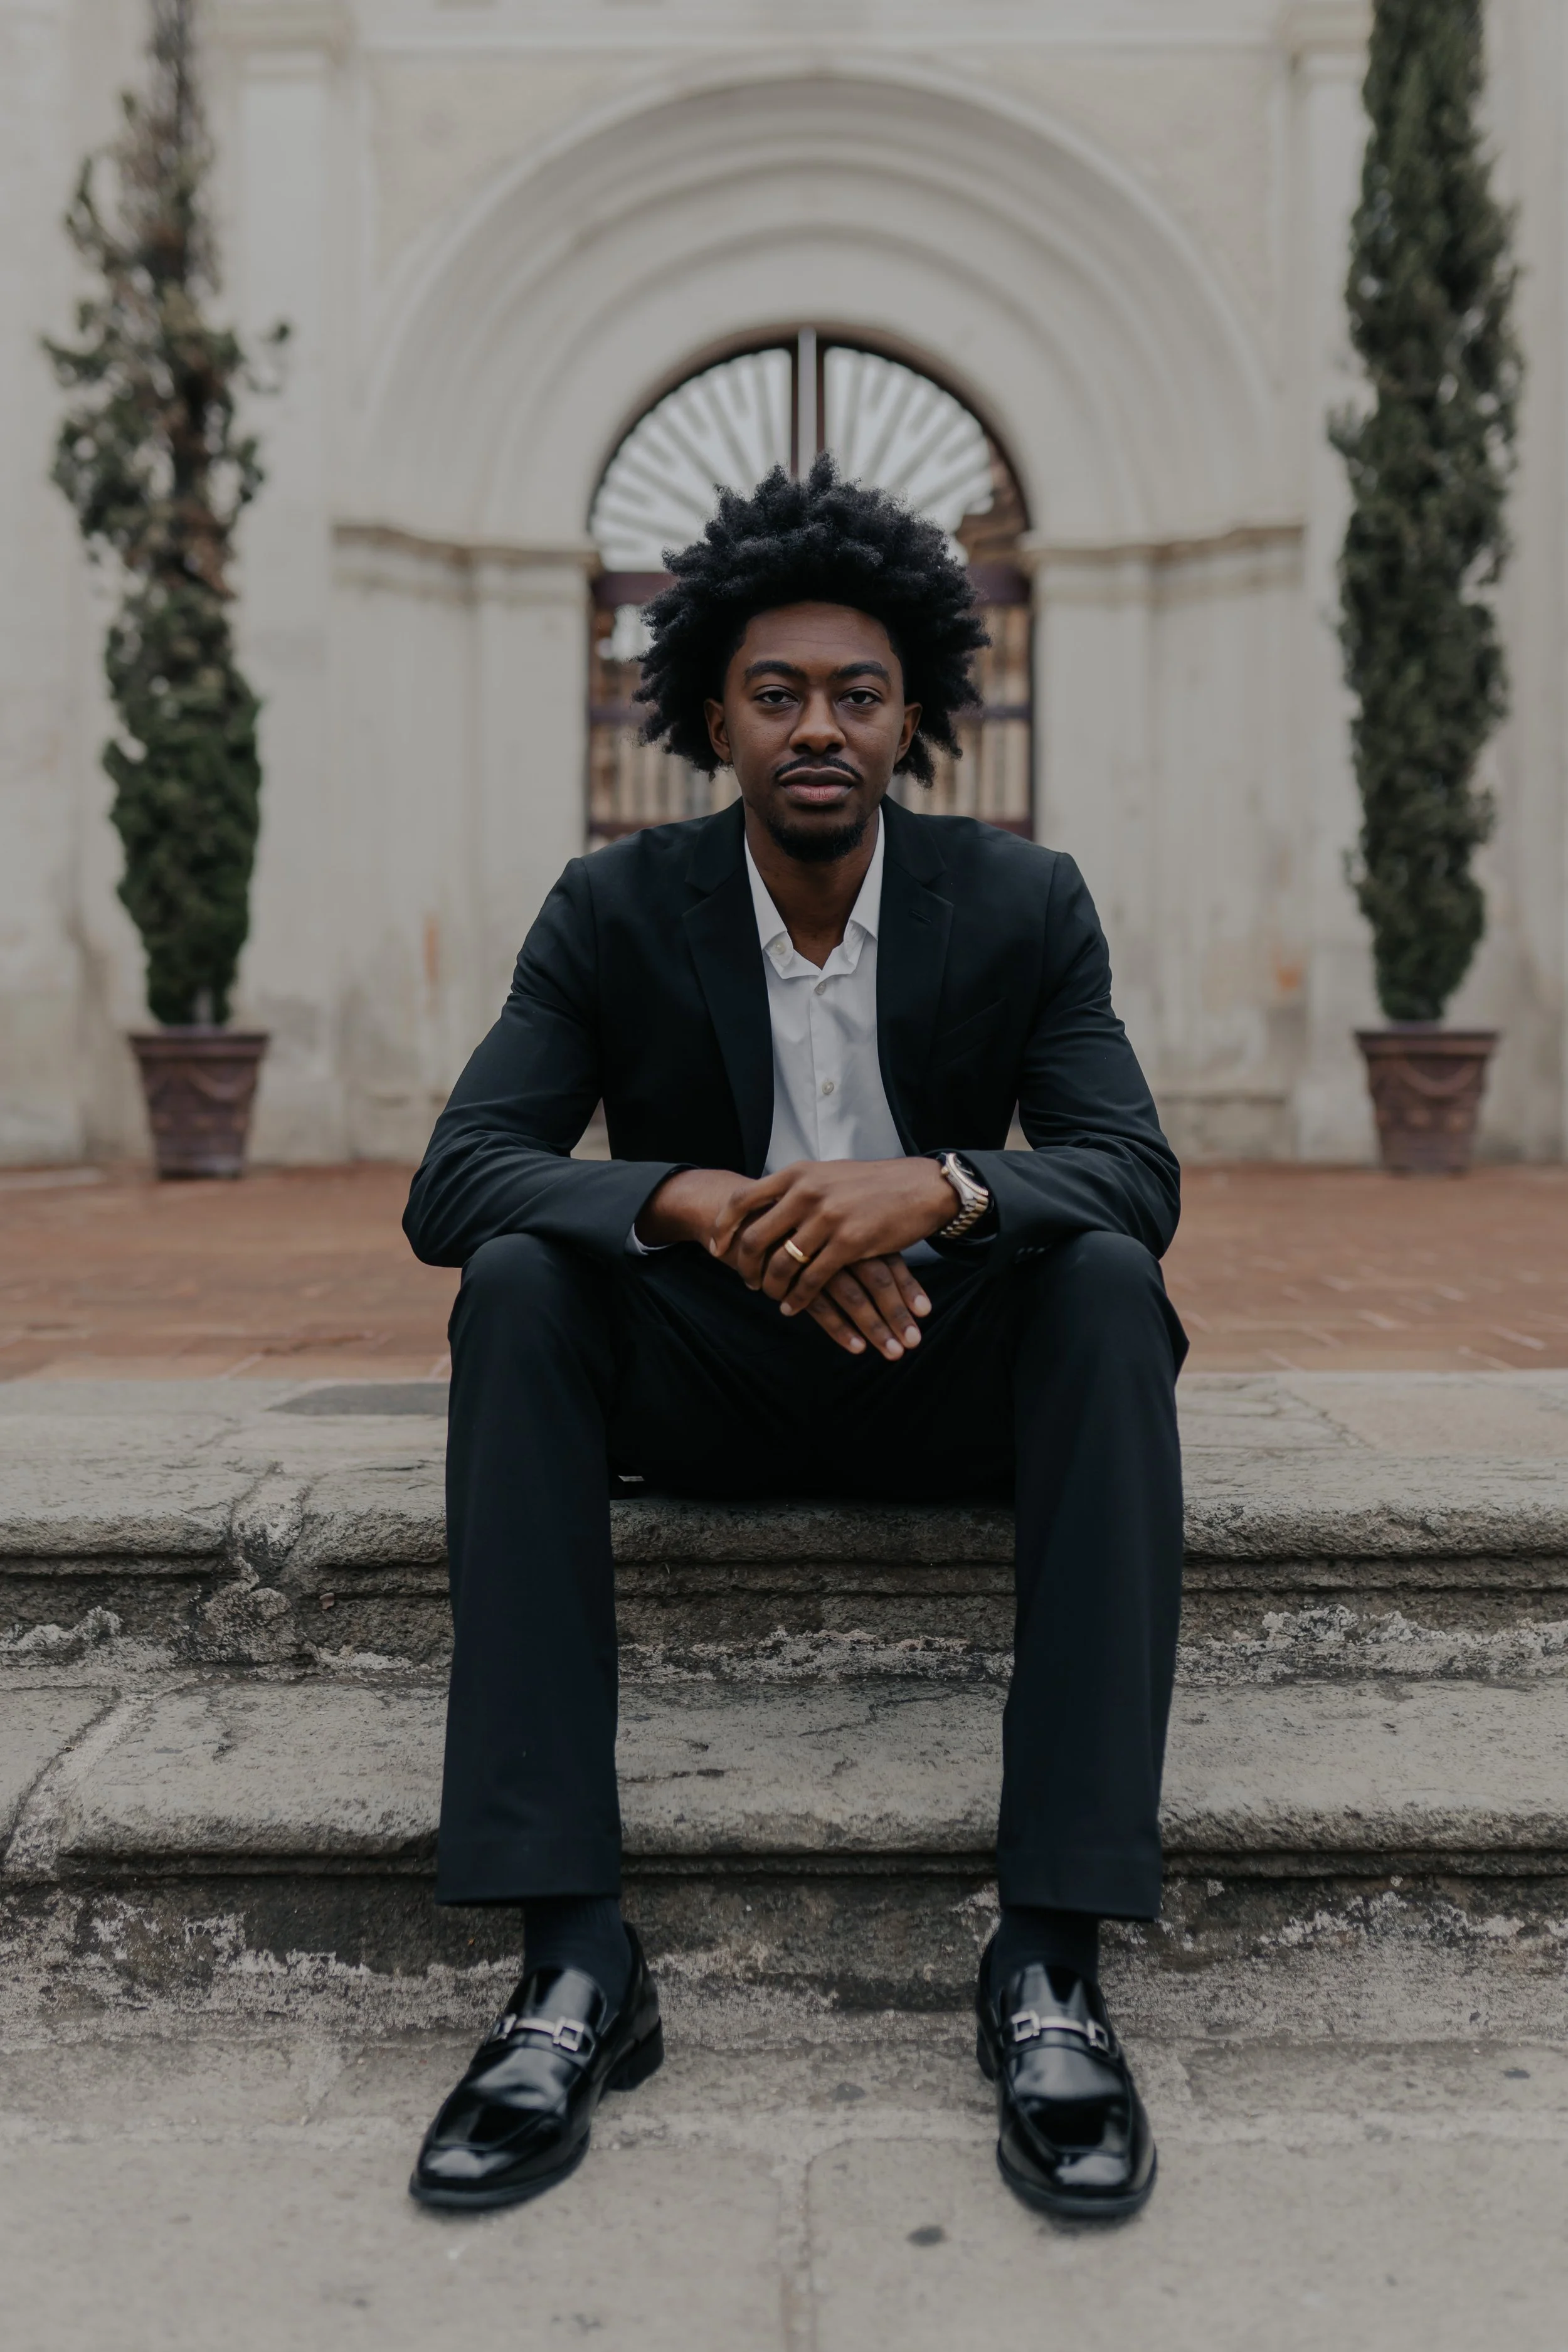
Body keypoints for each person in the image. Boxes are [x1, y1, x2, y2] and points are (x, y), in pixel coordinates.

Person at [402, 457, 1186, 2221]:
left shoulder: (1021, 899)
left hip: (942, 1372)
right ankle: (574, 1967)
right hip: (712, 1380)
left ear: (913, 712)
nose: (815, 725)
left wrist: (937, 1190)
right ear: (709, 716)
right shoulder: (610, 907)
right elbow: (460, 1174)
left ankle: (1047, 1963)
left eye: (853, 692)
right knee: (518, 1280)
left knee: (1105, 1282)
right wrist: (701, 1202)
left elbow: (1132, 1169)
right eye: (774, 694)